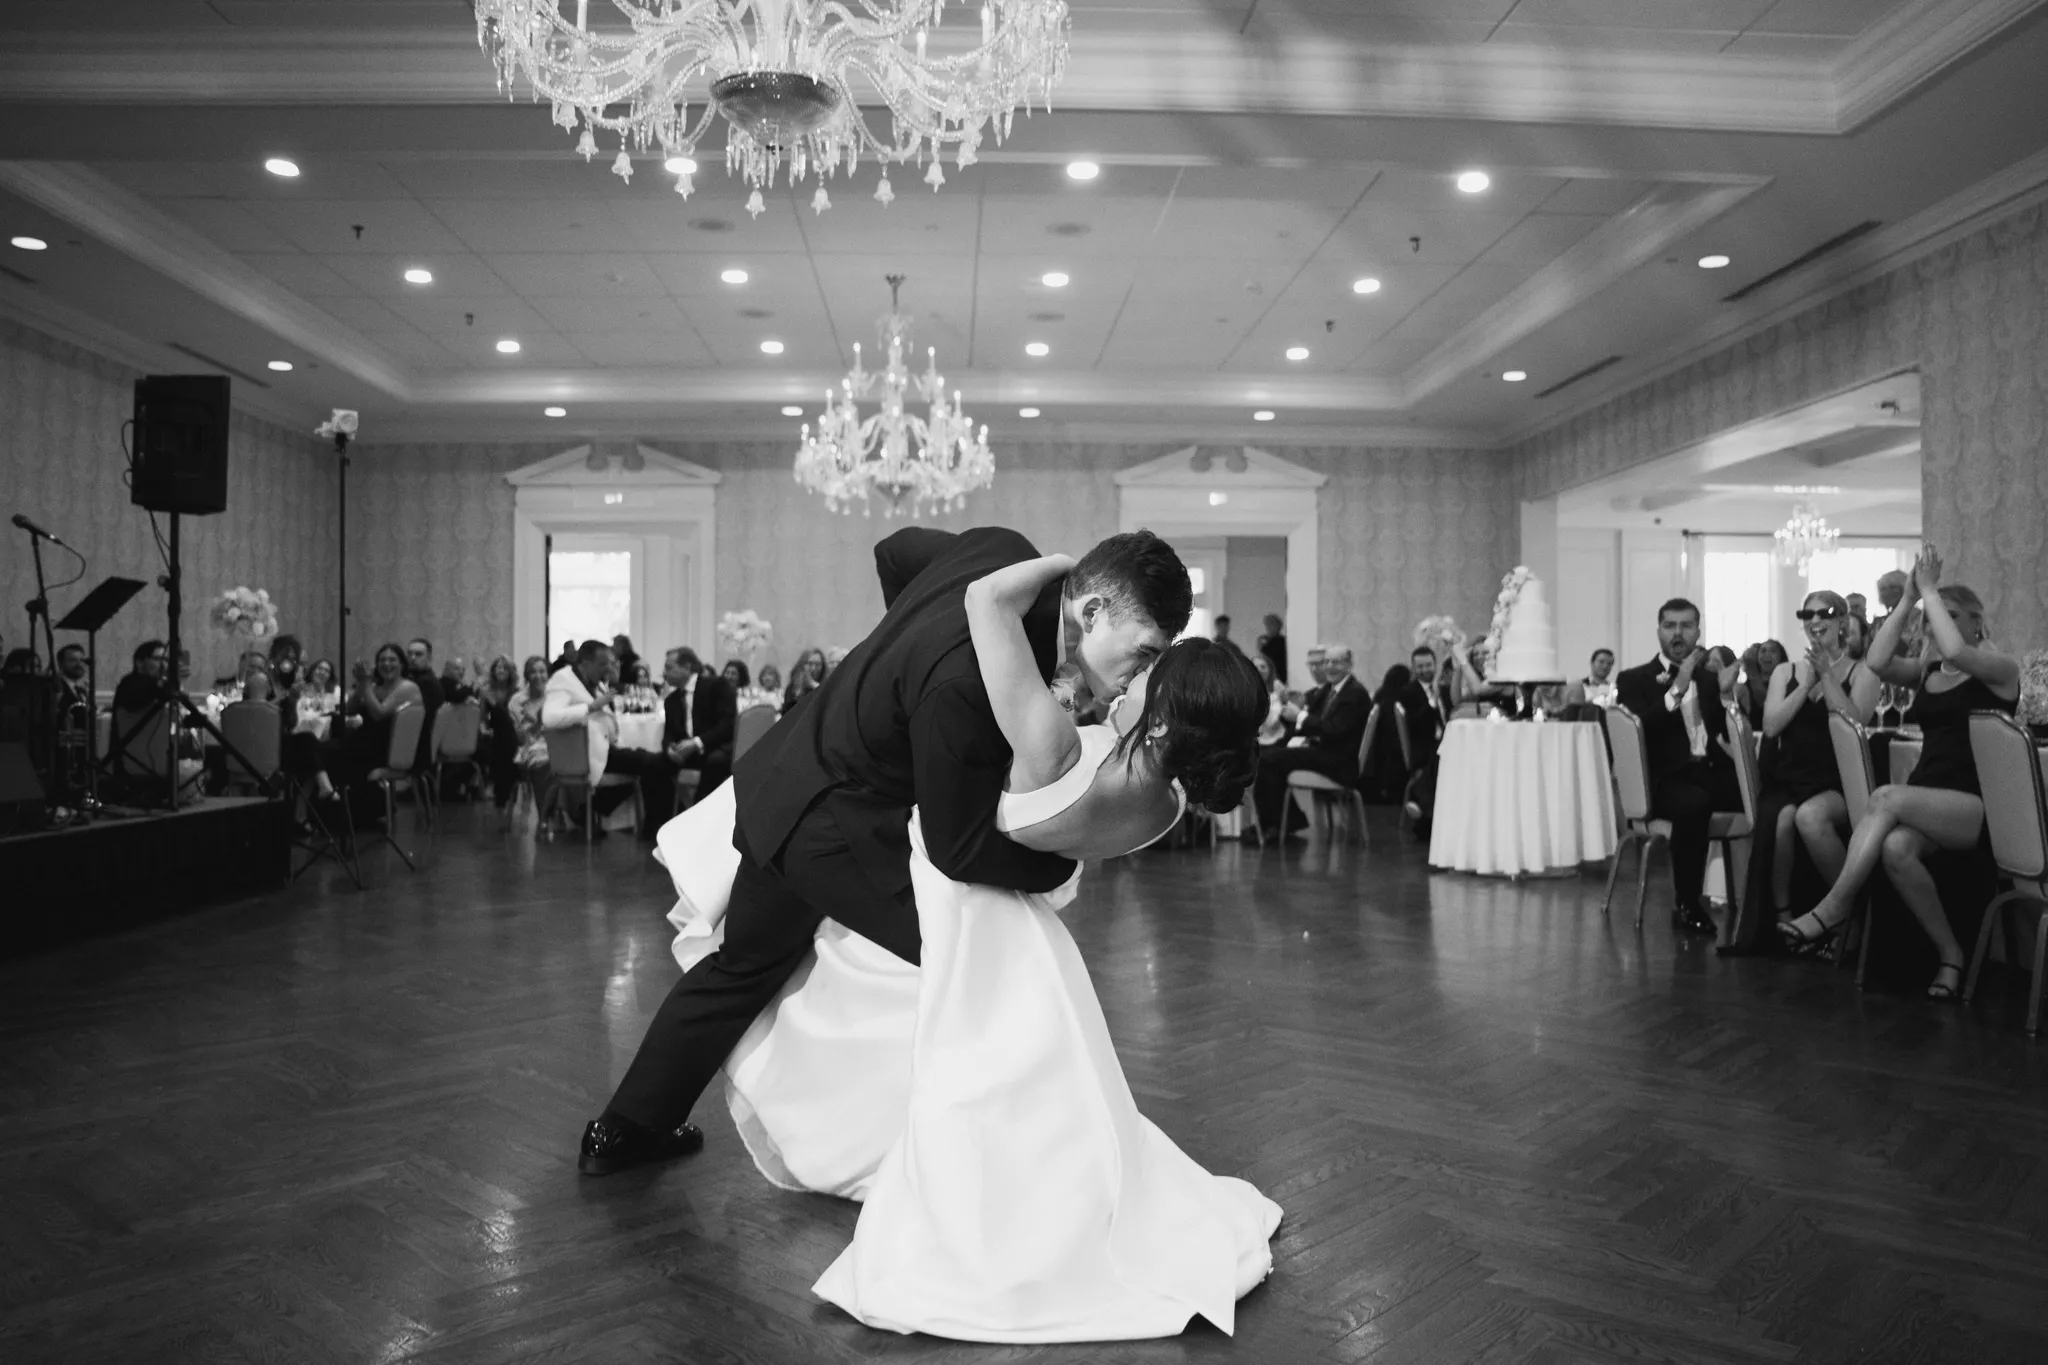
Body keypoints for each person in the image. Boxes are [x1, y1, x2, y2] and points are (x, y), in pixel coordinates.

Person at [643, 546, 1277, 1341]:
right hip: (1024, 928)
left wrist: (1050, 562)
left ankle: (979, 1214)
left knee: (959, 1060)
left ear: (1166, 710)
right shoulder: (1160, 802)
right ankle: (1040, 1200)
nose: (1132, 676)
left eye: (1150, 667)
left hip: (967, 903)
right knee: (1024, 1075)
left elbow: (980, 599)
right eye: (1144, 653)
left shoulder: (1049, 741)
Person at [583, 526, 1188, 1178]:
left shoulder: (1001, 550)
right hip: (832, 832)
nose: (1139, 678)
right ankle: (991, 1172)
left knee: (740, 969)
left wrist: (893, 652)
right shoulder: (967, 683)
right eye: (1144, 653)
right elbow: (959, 850)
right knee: (983, 964)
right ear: (1092, 611)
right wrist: (1065, 863)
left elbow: (895, 551)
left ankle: (622, 1130)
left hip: (784, 779)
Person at [1778, 550, 2017, 1000]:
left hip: (1976, 805)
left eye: (1945, 616)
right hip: (1929, 799)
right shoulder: (1929, 671)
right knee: (1895, 847)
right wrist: (1909, 600)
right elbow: (1878, 660)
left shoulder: (2001, 669)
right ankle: (1951, 955)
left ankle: (1835, 907)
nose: (1932, 626)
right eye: (1931, 620)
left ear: (1977, 622)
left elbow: (1956, 650)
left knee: (1885, 797)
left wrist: (1930, 588)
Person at [1723, 591, 1879, 954]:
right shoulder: (1785, 671)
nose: (1814, 620)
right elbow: (1772, 726)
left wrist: (1828, 676)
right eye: (1806, 614)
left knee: (1808, 817)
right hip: (1790, 778)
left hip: (1838, 779)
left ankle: (1851, 911)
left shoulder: (1863, 672)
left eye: (1824, 613)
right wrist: (1807, 683)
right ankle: (1785, 918)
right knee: (1779, 820)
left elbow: (1854, 725)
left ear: (1842, 621)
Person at [1615, 599, 1740, 937]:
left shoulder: (1711, 680)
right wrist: (1677, 687)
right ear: (1659, 631)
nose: (1678, 633)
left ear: (1698, 631)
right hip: (1664, 779)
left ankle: (1761, 904)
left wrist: (1728, 698)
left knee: (1767, 796)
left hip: (1709, 770)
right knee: (1694, 804)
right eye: (1670, 625)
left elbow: (1727, 735)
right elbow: (1641, 729)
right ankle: (1687, 902)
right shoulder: (1633, 679)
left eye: (1686, 626)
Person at [541, 640, 668, 838]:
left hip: (604, 748)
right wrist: (590, 707)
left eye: (610, 663)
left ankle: (593, 810)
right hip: (582, 754)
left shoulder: (594, 682)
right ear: (585, 663)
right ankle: (652, 829)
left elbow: (608, 709)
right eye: (603, 664)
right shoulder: (563, 680)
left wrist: (611, 683)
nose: (607, 668)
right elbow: (549, 718)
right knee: (651, 763)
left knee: (653, 762)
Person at [1251, 643, 1368, 840]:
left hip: (1339, 763)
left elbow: (1333, 730)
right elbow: (1313, 721)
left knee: (1269, 760)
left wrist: (1300, 717)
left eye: (1336, 662)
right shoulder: (1332, 690)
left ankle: (1276, 826)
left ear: (1349, 665)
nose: (1329, 666)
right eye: (1327, 662)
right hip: (1325, 753)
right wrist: (1299, 725)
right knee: (1269, 757)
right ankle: (1283, 823)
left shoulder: (1354, 693)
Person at [657, 646, 736, 822]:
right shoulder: (671, 700)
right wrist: (668, 747)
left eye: (669, 668)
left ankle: (701, 822)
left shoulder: (717, 686)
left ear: (686, 667)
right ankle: (660, 824)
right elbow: (668, 733)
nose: (664, 673)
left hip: (715, 746)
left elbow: (727, 726)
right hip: (688, 752)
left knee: (715, 762)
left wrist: (697, 742)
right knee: (654, 764)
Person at [479, 655, 523, 811]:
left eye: (505, 667)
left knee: (506, 741)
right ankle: (502, 786)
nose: (501, 670)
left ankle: (500, 787)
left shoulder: (517, 692)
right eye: (498, 667)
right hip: (493, 733)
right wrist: (485, 729)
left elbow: (516, 719)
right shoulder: (485, 691)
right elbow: (482, 718)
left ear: (511, 671)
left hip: (511, 733)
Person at [403, 638, 446, 770]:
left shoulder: (425, 683)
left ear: (429, 658)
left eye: (418, 654)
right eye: (409, 654)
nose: (412, 658)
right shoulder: (419, 680)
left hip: (417, 748)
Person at [112, 639, 167, 713]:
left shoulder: (159, 683)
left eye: (165, 660)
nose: (163, 665)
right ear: (139, 662)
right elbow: (136, 700)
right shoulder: (128, 684)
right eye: (157, 659)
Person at [1249, 651, 1287, 748]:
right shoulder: (1244, 692)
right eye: (1255, 667)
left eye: (1263, 667)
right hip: (1253, 742)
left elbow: (1276, 719)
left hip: (1279, 739)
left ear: (1270, 670)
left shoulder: (1277, 688)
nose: (1259, 670)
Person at [1256, 613, 1286, 685]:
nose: (1268, 627)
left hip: (1279, 677)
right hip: (1266, 677)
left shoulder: (1282, 641)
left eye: (1271, 624)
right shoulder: (1264, 640)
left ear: (1278, 626)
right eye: (1267, 625)